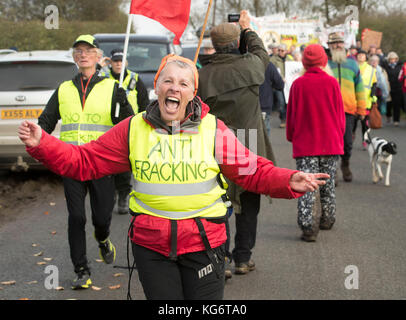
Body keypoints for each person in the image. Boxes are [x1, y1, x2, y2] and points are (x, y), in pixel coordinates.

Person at [19, 54, 329, 300]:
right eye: (167, 81)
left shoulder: (213, 128)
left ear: (193, 92)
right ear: (157, 87)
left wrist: (288, 180)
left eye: (183, 83)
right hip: (152, 248)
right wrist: (43, 144)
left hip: (205, 244)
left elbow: (252, 172)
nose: (174, 88)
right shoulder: (132, 128)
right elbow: (82, 162)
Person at [37, 34, 134, 289]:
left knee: (101, 218)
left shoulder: (113, 88)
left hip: (101, 163)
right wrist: (37, 138)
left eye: (88, 50)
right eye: (78, 50)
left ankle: (102, 239)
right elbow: (45, 122)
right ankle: (81, 269)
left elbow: (130, 124)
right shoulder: (64, 89)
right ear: (74, 57)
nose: (83, 55)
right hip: (71, 162)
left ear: (98, 57)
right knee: (76, 217)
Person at [197, 11, 276, 276]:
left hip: (215, 145)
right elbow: (260, 51)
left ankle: (222, 258)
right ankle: (243, 258)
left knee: (219, 203)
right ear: (236, 42)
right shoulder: (251, 65)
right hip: (249, 143)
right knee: (248, 201)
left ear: (215, 44)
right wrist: (247, 29)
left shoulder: (202, 75)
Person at [286, 44, 345, 242]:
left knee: (307, 184)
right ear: (324, 61)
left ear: (304, 62)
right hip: (330, 141)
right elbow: (339, 115)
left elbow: (291, 116)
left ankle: (308, 225)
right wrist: (340, 135)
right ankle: (327, 218)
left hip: (305, 144)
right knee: (327, 183)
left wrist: (291, 135)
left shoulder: (298, 84)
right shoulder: (332, 83)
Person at [100, 48, 150, 215]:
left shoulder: (135, 79)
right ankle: (110, 194)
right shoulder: (103, 78)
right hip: (106, 127)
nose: (119, 64)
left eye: (121, 61)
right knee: (107, 165)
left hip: (128, 128)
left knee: (123, 165)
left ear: (126, 62)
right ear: (111, 63)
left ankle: (123, 195)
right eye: (115, 61)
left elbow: (144, 104)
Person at [327, 32, 366, 182]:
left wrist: (362, 109)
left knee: (348, 142)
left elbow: (360, 88)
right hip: (330, 111)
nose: (337, 45)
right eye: (334, 43)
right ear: (329, 46)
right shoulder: (325, 63)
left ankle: (345, 163)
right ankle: (333, 170)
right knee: (331, 143)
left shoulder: (352, 63)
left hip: (349, 110)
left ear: (344, 45)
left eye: (340, 43)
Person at [353, 50, 377, 149]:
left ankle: (365, 139)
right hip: (353, 98)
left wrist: (373, 95)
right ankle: (351, 137)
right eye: (359, 55)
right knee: (352, 122)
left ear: (366, 57)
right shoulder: (353, 67)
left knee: (364, 123)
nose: (361, 56)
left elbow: (374, 83)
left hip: (366, 99)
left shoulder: (371, 69)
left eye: (363, 55)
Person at [270, 43, 294, 128]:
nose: (280, 52)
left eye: (282, 50)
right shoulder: (272, 59)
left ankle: (289, 119)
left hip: (289, 85)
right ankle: (283, 119)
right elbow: (272, 72)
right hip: (279, 84)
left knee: (289, 102)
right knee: (281, 102)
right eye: (279, 50)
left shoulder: (290, 59)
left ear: (286, 51)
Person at [259, 61, 284, 137]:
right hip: (263, 104)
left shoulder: (242, 62)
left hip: (244, 106)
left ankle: (250, 148)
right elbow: (279, 84)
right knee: (264, 135)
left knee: (245, 136)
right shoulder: (268, 65)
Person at [381, 52, 404, 126]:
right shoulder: (386, 67)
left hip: (398, 87)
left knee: (396, 104)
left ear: (396, 59)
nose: (392, 60)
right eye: (391, 59)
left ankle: (396, 120)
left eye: (394, 59)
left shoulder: (400, 67)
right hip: (388, 87)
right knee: (389, 103)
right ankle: (388, 115)